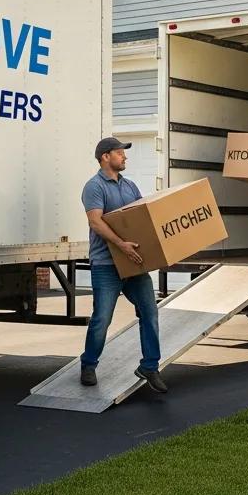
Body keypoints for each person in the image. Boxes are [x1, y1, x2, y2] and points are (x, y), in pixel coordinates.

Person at [79, 136, 166, 393]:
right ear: (106, 156)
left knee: (150, 313)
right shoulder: (94, 187)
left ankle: (150, 366)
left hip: (134, 264)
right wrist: (122, 245)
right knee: (102, 319)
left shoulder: (130, 186)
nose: (125, 157)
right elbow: (96, 222)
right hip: (107, 264)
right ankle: (89, 364)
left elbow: (142, 218)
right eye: (120, 153)